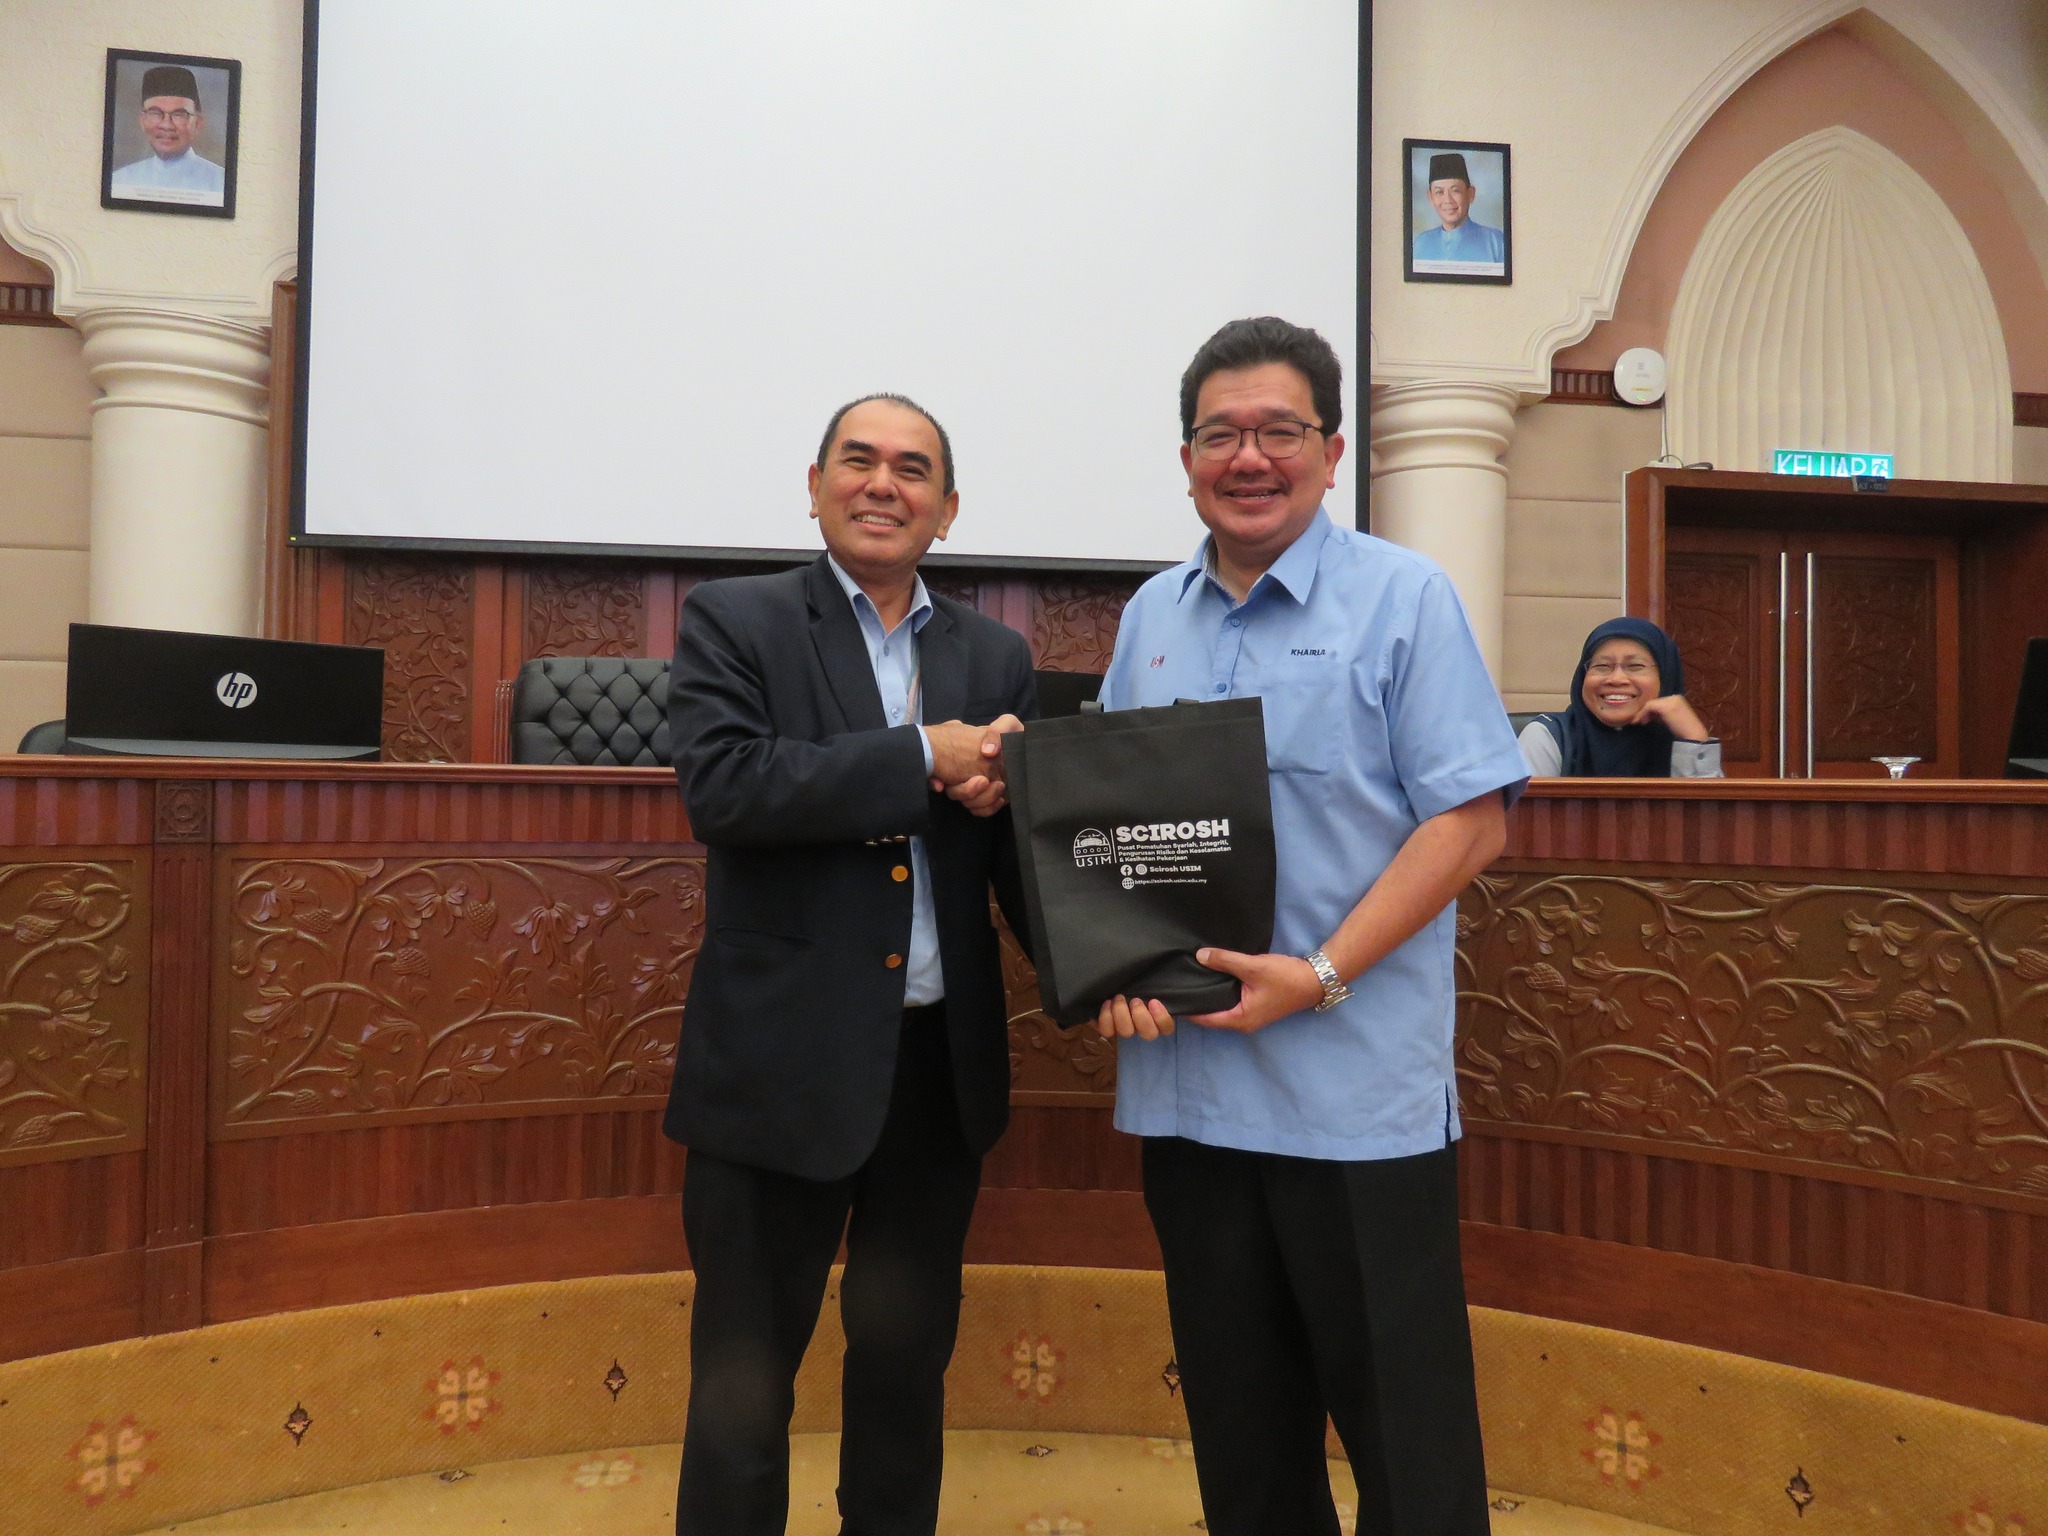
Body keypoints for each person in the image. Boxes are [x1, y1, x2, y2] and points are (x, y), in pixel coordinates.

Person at [1092, 317, 1529, 1536]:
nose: (1248, 457)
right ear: (1186, 459)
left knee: (1405, 1437)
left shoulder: (1403, 597)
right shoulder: (1150, 617)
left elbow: (1469, 823)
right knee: (1242, 1437)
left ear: (1331, 453)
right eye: (1219, 435)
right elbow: (1110, 832)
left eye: (1278, 431)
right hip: (1190, 1095)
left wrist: (1321, 974)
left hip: (1353, 1097)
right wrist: (1112, 961)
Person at [662, 393, 1036, 1536]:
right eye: (858, 460)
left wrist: (1122, 964)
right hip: (777, 1072)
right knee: (741, 1387)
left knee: (904, 1370)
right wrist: (922, 756)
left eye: (912, 469)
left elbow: (1018, 865)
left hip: (933, 1078)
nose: (883, 483)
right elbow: (727, 787)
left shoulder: (994, 656)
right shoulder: (735, 620)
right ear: (816, 485)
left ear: (947, 508)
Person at [1518, 616, 1722, 777]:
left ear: (1665, 676)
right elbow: (1527, 815)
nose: (1616, 679)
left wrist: (1695, 739)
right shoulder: (1550, 737)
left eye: (1635, 666)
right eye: (1602, 666)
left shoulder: (1678, 740)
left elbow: (1707, 817)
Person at [110, 65, 227, 200]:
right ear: (142, 121)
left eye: (179, 114)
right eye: (155, 113)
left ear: (197, 123)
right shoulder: (120, 181)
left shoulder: (221, 183)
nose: (166, 125)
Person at [1411, 151, 1504, 267]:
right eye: (1439, 192)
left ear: (1470, 194)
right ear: (1430, 197)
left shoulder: (1495, 242)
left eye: (1455, 191)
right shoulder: (1421, 244)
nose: (1448, 200)